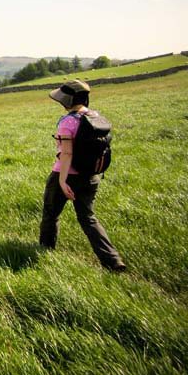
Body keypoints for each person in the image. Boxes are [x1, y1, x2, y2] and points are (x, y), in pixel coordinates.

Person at [39, 79, 126, 272]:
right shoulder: (96, 117)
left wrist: (62, 181)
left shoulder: (67, 122)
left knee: (50, 215)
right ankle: (113, 260)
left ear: (68, 100)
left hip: (65, 175)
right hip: (91, 176)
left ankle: (44, 251)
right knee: (88, 218)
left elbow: (66, 153)